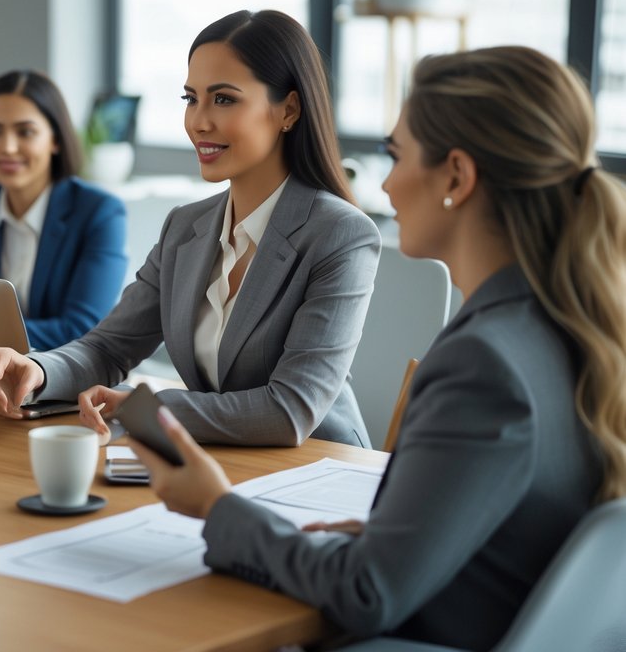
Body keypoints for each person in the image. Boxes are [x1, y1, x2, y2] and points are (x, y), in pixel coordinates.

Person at [131, 45, 626, 650]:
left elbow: (368, 595)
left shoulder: (484, 363)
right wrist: (390, 536)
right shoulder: (558, 325)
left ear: (457, 177)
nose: (385, 183)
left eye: (396, 156)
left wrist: (216, 508)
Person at [0, 10, 379, 447]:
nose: (198, 121)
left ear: (288, 109)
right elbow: (107, 348)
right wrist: (40, 369)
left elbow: (289, 410)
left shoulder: (341, 235)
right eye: (190, 98)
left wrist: (147, 409)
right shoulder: (186, 226)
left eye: (224, 99)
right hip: (216, 462)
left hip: (320, 470)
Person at [0, 70, 128, 350]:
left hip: (67, 384)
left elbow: (82, 328)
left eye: (25, 132)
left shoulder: (100, 212)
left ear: (55, 140)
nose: (7, 147)